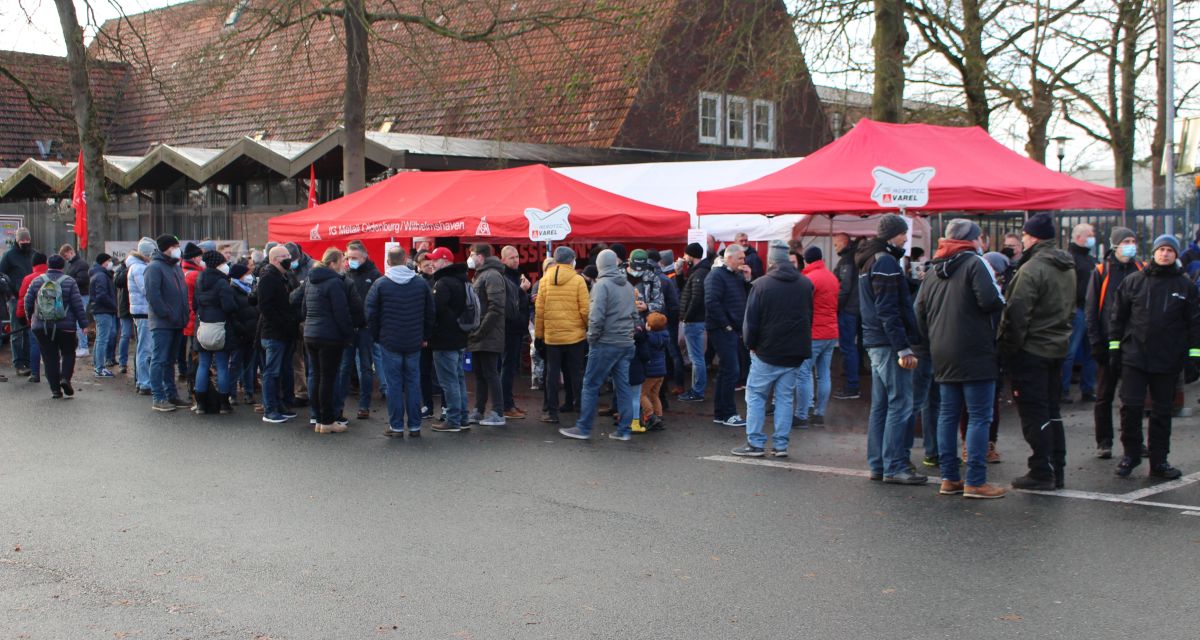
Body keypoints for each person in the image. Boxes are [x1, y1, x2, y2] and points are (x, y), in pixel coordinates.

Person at [914, 220, 1007, 499]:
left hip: (942, 351)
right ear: (972, 240)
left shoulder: (933, 270)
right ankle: (975, 481)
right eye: (980, 237)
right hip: (975, 349)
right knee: (979, 416)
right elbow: (992, 301)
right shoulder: (976, 263)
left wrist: (932, 340)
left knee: (947, 414)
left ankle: (949, 478)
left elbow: (919, 311)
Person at [1107, 234, 1200, 480]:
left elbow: (1194, 325)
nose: (1165, 254)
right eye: (1161, 249)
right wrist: (1114, 349)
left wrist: (1194, 357)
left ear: (1176, 254)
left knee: (1162, 413)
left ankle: (1159, 461)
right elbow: (1117, 318)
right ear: (1154, 252)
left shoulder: (1185, 286)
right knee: (1130, 408)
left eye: (1170, 250)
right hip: (1134, 357)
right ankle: (1131, 455)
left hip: (1167, 360)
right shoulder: (1134, 281)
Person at [998, 212, 1075, 491]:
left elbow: (1017, 314)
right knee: (1052, 409)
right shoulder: (1066, 266)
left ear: (1033, 237)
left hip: (1032, 350)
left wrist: (1007, 350)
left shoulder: (1032, 269)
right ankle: (1056, 468)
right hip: (1057, 347)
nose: (1023, 239)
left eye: (1025, 235)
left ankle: (1042, 470)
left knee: (1034, 411)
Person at [857, 215, 926, 484]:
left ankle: (879, 464)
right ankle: (894, 466)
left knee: (882, 406)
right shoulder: (885, 261)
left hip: (876, 341)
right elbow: (888, 309)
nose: (906, 239)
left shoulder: (871, 259)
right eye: (902, 233)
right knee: (900, 403)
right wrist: (903, 348)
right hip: (887, 343)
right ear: (892, 234)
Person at [732, 241, 813, 458]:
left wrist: (750, 345)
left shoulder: (761, 285)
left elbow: (751, 322)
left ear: (771, 261)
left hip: (766, 351)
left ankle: (755, 443)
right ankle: (781, 445)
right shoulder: (805, 284)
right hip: (795, 352)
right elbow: (808, 317)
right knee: (784, 398)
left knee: (756, 396)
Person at [559, 249, 638, 442]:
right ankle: (624, 430)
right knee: (623, 386)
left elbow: (596, 316)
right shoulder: (628, 285)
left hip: (606, 342)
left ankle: (583, 427)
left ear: (600, 265)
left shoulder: (601, 285)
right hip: (625, 342)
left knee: (590, 384)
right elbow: (635, 316)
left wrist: (592, 338)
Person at [1085, 227, 1141, 459]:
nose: (1130, 245)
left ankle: (1134, 442)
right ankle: (1104, 441)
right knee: (1104, 395)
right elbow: (1091, 309)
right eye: (1126, 241)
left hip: (1134, 343)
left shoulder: (1141, 269)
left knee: (1132, 398)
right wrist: (1096, 342)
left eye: (1133, 241)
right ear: (1115, 245)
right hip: (1109, 342)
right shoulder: (1102, 271)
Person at [367, 246, 434, 437]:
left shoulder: (380, 284)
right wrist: (425, 336)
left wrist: (377, 336)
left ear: (388, 262)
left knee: (394, 385)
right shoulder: (420, 283)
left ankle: (396, 426)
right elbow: (430, 313)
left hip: (389, 341)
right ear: (406, 260)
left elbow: (370, 314)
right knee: (413, 383)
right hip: (414, 341)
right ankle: (415, 426)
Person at [533, 246, 589, 424]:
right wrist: (588, 328)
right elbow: (585, 310)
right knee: (576, 373)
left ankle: (552, 412)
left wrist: (539, 336)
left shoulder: (544, 281)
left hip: (552, 337)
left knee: (552, 374)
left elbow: (539, 312)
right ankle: (581, 409)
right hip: (575, 336)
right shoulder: (578, 280)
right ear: (571, 260)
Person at [24, 254, 88, 399]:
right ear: (63, 266)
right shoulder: (70, 282)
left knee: (49, 357)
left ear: (48, 265)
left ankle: (55, 390)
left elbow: (28, 301)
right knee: (68, 352)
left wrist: (30, 318)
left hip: (41, 326)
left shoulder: (37, 281)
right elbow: (78, 305)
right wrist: (83, 324)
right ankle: (65, 378)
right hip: (66, 326)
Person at [144, 235, 192, 412]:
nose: (178, 249)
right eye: (175, 246)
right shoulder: (154, 267)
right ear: (167, 247)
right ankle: (158, 397)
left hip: (177, 321)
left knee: (170, 361)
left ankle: (171, 395)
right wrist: (167, 313)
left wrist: (183, 315)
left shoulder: (175, 267)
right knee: (159, 359)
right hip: (163, 323)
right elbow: (153, 295)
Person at [705, 243, 751, 427]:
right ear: (729, 258)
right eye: (740, 258)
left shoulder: (735, 275)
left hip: (732, 329)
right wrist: (726, 325)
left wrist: (747, 280)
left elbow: (745, 298)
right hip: (722, 330)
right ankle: (728, 413)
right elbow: (711, 302)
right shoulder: (716, 275)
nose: (743, 261)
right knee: (732, 370)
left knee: (727, 370)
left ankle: (721, 413)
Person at [795, 246, 839, 428]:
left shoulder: (809, 279)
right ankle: (819, 414)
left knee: (804, 373)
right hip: (831, 332)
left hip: (813, 333)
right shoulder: (832, 277)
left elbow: (801, 306)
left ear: (806, 260)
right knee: (824, 375)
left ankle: (802, 415)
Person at [428, 247, 470, 432]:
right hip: (459, 336)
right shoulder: (462, 280)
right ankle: (462, 417)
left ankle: (453, 420)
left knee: (449, 381)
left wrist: (429, 332)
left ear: (445, 261)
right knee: (458, 379)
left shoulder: (443, 283)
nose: (432, 263)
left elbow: (435, 310)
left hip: (444, 338)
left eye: (435, 260)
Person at [467, 243, 508, 427]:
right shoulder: (482, 274)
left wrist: (480, 331)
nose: (470, 258)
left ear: (480, 256)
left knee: (490, 373)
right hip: (480, 332)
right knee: (480, 373)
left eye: (472, 254)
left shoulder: (491, 275)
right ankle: (479, 410)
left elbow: (496, 307)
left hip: (488, 333)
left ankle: (498, 412)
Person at [258, 245, 300, 424]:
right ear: (275, 259)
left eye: (289, 255)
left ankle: (280, 405)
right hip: (274, 333)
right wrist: (284, 322)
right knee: (272, 372)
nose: (289, 258)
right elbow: (265, 306)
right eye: (285, 256)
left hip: (285, 332)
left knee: (283, 371)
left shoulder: (285, 276)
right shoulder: (268, 278)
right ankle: (270, 409)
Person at [193, 251, 238, 415]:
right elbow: (229, 306)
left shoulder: (199, 280)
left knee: (203, 364)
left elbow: (194, 305)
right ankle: (224, 404)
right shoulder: (222, 283)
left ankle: (200, 404)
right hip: (221, 327)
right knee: (222, 365)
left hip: (202, 326)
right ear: (218, 265)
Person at [340, 244, 382, 420]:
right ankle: (339, 406)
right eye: (349, 257)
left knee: (365, 367)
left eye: (354, 258)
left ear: (364, 257)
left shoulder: (375, 276)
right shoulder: (345, 275)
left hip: (366, 329)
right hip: (348, 328)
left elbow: (379, 304)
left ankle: (364, 405)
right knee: (344, 367)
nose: (351, 261)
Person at [1061, 223, 1098, 404]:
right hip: (1077, 309)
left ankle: (1088, 389)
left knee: (1091, 352)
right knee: (1070, 352)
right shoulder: (1070, 259)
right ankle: (1062, 390)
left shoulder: (1089, 259)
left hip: (1089, 309)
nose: (1092, 238)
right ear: (1078, 237)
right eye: (1089, 235)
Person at [499, 245, 531, 419]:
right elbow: (509, 303)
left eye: (517, 256)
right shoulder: (504, 277)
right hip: (509, 329)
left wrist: (527, 296)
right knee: (508, 367)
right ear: (503, 260)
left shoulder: (517, 276)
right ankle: (506, 405)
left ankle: (509, 403)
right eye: (512, 257)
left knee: (512, 368)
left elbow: (519, 302)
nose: (516, 260)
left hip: (518, 328)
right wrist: (522, 291)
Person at [677, 242, 711, 402]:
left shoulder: (700, 273)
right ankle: (697, 390)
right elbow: (685, 290)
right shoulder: (696, 271)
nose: (684, 257)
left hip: (694, 321)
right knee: (696, 357)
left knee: (696, 358)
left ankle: (697, 391)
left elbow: (697, 298)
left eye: (686, 254)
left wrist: (687, 317)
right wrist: (679, 274)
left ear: (691, 256)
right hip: (695, 320)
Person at [1, 227, 35, 375]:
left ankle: (28, 361)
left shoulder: (33, 254)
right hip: (15, 298)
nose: (25, 242)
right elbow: (1, 275)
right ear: (17, 240)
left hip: (31, 297)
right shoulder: (9, 256)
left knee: (29, 331)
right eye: (22, 240)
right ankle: (19, 364)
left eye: (27, 239)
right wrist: (9, 294)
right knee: (16, 332)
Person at [832, 233, 861, 399]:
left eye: (836, 244)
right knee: (852, 347)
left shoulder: (847, 260)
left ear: (844, 242)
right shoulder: (854, 257)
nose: (835, 247)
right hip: (858, 308)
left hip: (848, 309)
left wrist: (836, 307)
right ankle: (853, 380)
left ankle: (852, 386)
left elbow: (844, 288)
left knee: (847, 347)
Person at [226, 263, 259, 407]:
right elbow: (232, 314)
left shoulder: (250, 289)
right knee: (235, 365)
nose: (249, 276)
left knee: (249, 365)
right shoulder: (232, 291)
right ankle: (232, 394)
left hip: (251, 333)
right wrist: (241, 329)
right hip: (239, 334)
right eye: (247, 274)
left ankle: (249, 393)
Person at [127, 238, 156, 395]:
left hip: (141, 310)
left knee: (143, 347)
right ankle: (144, 382)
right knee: (145, 348)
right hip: (143, 311)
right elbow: (146, 289)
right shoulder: (139, 268)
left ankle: (142, 380)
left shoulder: (138, 266)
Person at [15, 252, 48, 383]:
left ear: (33, 264)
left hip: (35, 319)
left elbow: (23, 299)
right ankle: (53, 373)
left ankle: (35, 374)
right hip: (55, 319)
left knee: (35, 345)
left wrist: (21, 316)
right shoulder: (55, 277)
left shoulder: (29, 278)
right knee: (52, 347)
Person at [88, 253, 119, 378]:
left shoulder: (98, 274)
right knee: (102, 339)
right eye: (109, 260)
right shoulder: (101, 276)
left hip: (100, 310)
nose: (110, 263)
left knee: (99, 339)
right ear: (104, 262)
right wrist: (114, 305)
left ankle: (97, 365)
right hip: (104, 311)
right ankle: (100, 368)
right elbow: (102, 295)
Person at [58, 244, 90, 358]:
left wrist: (67, 280)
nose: (65, 259)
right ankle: (81, 346)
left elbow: (84, 280)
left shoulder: (81, 264)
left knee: (79, 321)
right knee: (78, 321)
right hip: (78, 295)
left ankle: (83, 347)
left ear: (70, 252)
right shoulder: (75, 264)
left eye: (65, 256)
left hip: (81, 295)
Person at [640, 311, 669, 431]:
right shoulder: (665, 336)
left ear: (649, 325)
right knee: (654, 394)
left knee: (641, 394)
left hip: (650, 371)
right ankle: (659, 416)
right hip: (661, 371)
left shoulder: (648, 338)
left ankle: (650, 416)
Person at [627, 248, 664, 318]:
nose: (637, 272)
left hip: (643, 320)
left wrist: (647, 307)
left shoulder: (652, 278)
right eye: (634, 268)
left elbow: (660, 303)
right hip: (622, 321)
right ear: (629, 262)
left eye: (641, 269)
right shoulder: (619, 276)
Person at [113, 249, 133, 374]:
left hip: (136, 308)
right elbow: (118, 282)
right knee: (125, 335)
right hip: (125, 306)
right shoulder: (121, 269)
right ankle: (122, 363)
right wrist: (127, 269)